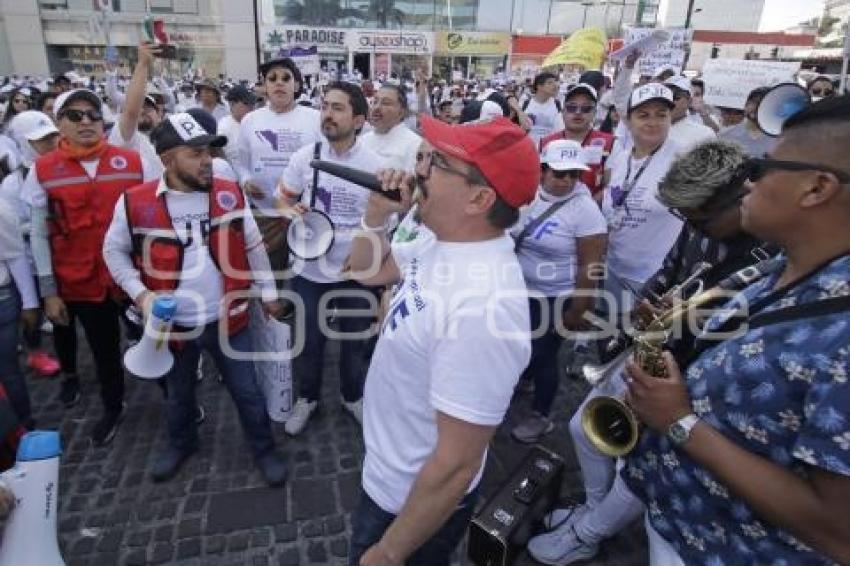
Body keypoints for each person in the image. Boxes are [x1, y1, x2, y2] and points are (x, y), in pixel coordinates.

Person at [622, 94, 850, 565]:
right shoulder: (781, 265)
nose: (747, 183)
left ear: (816, 188)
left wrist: (679, 421)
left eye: (763, 168)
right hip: (682, 519)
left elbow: (838, 532)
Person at [344, 115, 535, 565]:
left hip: (408, 502)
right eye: (423, 156)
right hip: (390, 470)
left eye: (436, 162)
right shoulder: (442, 241)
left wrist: (389, 553)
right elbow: (367, 269)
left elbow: (456, 465)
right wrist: (375, 214)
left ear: (479, 198)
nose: (419, 170)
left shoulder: (484, 308)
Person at [102, 112, 288, 485]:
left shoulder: (227, 191)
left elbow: (253, 244)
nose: (207, 160)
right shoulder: (134, 203)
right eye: (195, 153)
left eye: (209, 151)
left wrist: (268, 293)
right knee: (178, 394)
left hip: (229, 320)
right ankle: (181, 443)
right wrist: (141, 296)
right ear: (167, 159)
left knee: (248, 392)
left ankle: (264, 449)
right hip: (173, 326)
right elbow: (113, 251)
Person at [20, 88, 155, 445]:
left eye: (93, 115)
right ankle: (114, 406)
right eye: (75, 116)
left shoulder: (131, 161)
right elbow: (37, 235)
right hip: (79, 280)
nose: (86, 122)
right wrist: (48, 292)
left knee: (159, 339)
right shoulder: (43, 170)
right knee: (103, 349)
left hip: (132, 278)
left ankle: (178, 401)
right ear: (59, 124)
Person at [276, 81, 385, 436]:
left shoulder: (375, 166)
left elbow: (387, 222)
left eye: (338, 108)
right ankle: (307, 398)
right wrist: (292, 212)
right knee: (308, 341)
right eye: (325, 106)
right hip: (309, 272)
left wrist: (369, 255)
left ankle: (352, 396)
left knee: (354, 343)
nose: (327, 114)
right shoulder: (304, 157)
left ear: (358, 120)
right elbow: (282, 201)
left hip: (354, 274)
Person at [510, 139, 607, 444]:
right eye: (559, 172)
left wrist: (579, 309)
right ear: (542, 170)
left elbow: (591, 265)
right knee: (519, 346)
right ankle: (523, 380)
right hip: (519, 290)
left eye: (573, 175)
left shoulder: (585, 210)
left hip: (557, 296)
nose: (566, 180)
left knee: (544, 354)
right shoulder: (527, 194)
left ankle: (542, 415)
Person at [600, 84, 683, 319]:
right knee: (610, 338)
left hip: (653, 279)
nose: (652, 122)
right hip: (613, 271)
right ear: (627, 120)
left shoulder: (683, 160)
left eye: (661, 115)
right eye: (643, 115)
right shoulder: (620, 157)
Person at [0, 110, 61, 377]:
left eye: (52, 138)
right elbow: (12, 228)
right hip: (31, 260)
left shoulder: (62, 169)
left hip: (62, 256)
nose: (50, 145)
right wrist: (42, 226)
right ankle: (35, 352)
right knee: (33, 307)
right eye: (41, 140)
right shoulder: (12, 185)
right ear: (24, 143)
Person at [540, 83, 614, 195]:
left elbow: (611, 186)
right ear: (563, 112)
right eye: (572, 107)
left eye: (586, 108)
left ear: (594, 113)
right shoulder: (545, 143)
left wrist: (584, 207)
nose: (578, 112)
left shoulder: (611, 144)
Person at [362, 84, 421, 173]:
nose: (377, 107)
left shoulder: (415, 144)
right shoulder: (362, 140)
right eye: (375, 102)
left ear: (402, 112)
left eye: (386, 103)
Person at [720, 86, 777, 157]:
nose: (756, 107)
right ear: (746, 105)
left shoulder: (781, 139)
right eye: (754, 102)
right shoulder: (727, 136)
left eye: (763, 103)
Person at [663, 76, 716, 151]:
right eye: (665, 97)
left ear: (689, 101)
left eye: (676, 97)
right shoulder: (647, 130)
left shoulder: (704, 134)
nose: (670, 101)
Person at [524, 72, 565, 148]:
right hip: (527, 149)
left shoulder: (558, 104)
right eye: (550, 83)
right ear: (539, 86)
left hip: (550, 149)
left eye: (555, 82)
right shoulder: (525, 103)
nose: (555, 85)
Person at [218, 84, 256, 166]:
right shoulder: (224, 128)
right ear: (232, 104)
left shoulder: (254, 122)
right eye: (246, 103)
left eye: (252, 103)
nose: (251, 107)